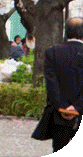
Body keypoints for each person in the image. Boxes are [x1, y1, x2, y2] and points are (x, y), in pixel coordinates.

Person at [36, 17, 83, 153]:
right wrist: (76, 107)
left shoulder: (53, 52)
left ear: (66, 32)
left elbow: (51, 84)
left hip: (58, 114)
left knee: (59, 149)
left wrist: (63, 107)